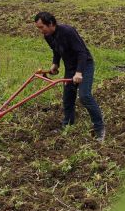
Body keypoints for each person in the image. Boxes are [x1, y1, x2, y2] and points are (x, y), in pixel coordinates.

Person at [34, 12, 105, 141]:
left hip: (84, 65)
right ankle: (67, 125)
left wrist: (79, 72)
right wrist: (55, 64)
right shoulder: (48, 35)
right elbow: (56, 50)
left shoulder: (68, 31)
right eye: (38, 28)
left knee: (85, 96)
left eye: (41, 27)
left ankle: (100, 129)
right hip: (70, 67)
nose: (40, 31)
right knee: (68, 97)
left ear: (50, 24)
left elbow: (82, 53)